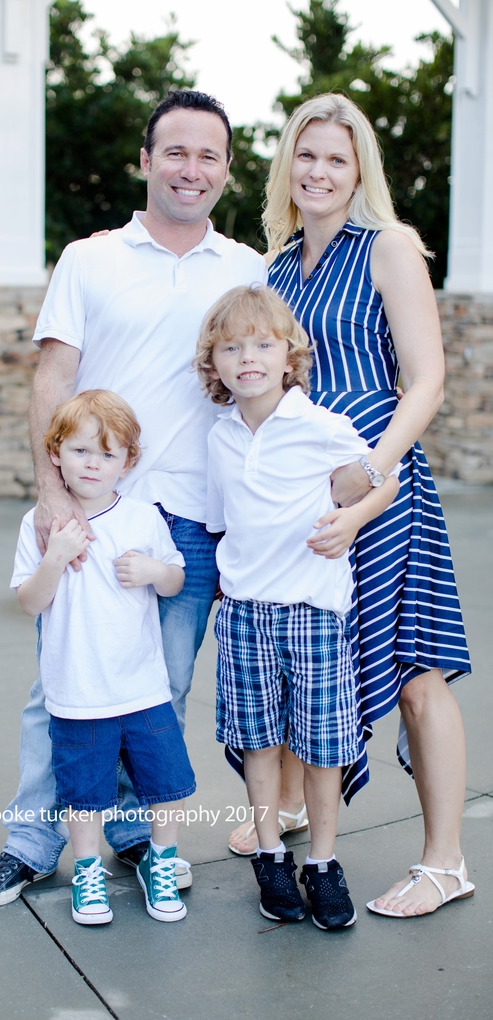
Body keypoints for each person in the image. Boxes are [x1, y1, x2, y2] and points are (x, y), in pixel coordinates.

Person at [0, 89, 270, 908]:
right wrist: (49, 495)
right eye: (175, 150)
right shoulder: (89, 258)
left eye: (209, 154)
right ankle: (30, 845)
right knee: (62, 690)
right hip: (99, 511)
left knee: (156, 694)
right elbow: (54, 377)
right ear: (144, 161)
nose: (190, 167)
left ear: (227, 171)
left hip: (195, 523)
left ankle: (131, 834)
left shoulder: (248, 269)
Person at [227, 93, 473, 919]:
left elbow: (427, 375)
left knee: (413, 669)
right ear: (286, 165)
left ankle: (445, 862)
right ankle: (291, 809)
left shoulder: (390, 246)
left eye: (337, 157)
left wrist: (373, 468)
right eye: (306, 154)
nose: (319, 171)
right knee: (304, 643)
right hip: (301, 485)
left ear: (359, 168)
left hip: (379, 474)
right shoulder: (276, 264)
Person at [196, 283, 400, 929]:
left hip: (312, 612)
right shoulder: (220, 436)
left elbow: (383, 477)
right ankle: (269, 855)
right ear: (215, 362)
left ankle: (322, 862)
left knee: (322, 747)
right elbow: (220, 522)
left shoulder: (320, 425)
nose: (247, 357)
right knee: (257, 743)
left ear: (290, 357)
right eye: (231, 347)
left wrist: (354, 517)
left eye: (262, 344)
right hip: (245, 614)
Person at [11, 390, 194, 925]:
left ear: (128, 463)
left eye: (108, 454)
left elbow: (176, 577)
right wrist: (56, 558)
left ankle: (161, 861)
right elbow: (29, 602)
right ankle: (88, 872)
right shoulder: (40, 525)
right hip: (76, 691)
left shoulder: (143, 519)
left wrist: (156, 573)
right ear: (55, 454)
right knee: (84, 793)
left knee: (164, 784)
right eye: (81, 451)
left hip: (142, 688)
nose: (93, 464)